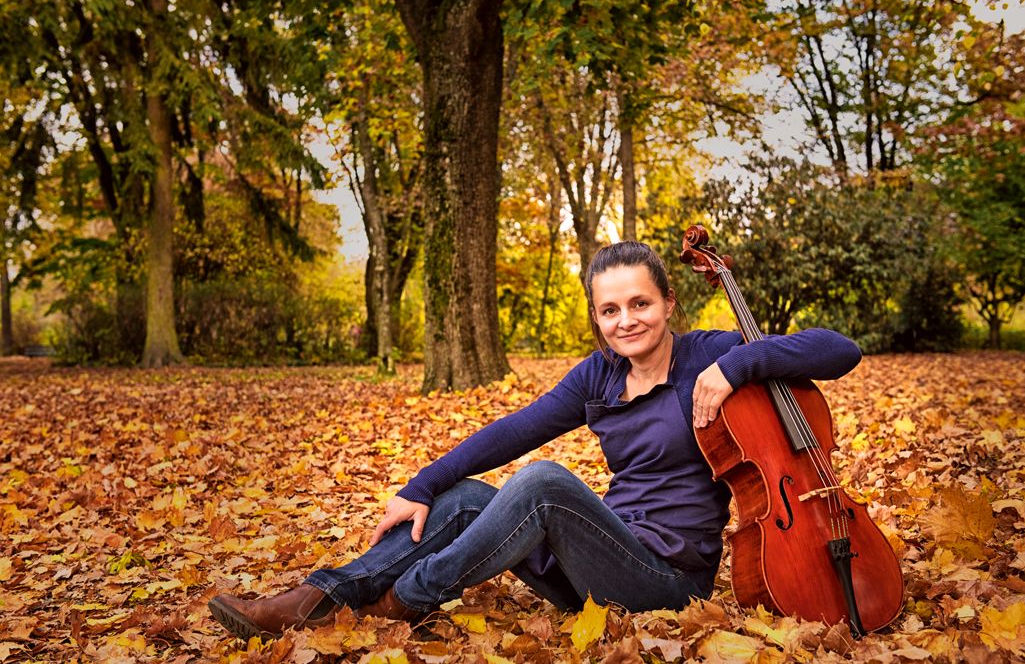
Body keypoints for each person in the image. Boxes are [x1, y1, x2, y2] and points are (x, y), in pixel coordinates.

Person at [208, 241, 862, 640]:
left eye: (638, 303)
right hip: (593, 563)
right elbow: (508, 432)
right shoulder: (596, 376)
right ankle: (320, 597)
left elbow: (839, 348)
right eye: (609, 309)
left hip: (663, 581)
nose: (624, 320)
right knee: (460, 496)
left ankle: (407, 597)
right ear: (596, 317)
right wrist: (419, 485)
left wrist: (736, 364)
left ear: (667, 304)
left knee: (546, 484)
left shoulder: (707, 353)